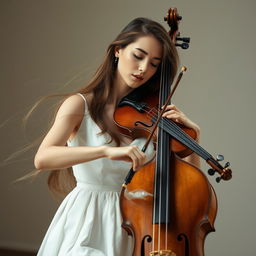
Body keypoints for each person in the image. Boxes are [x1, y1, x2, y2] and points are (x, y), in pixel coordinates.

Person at [35, 17, 200, 256]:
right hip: (89, 217)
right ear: (118, 50)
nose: (144, 68)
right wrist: (106, 151)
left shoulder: (151, 117)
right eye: (138, 55)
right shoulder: (79, 105)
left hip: (136, 222)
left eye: (154, 63)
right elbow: (42, 158)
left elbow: (188, 188)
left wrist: (192, 139)